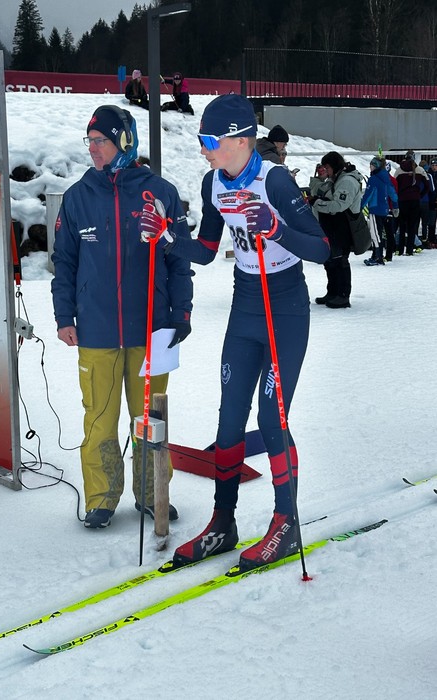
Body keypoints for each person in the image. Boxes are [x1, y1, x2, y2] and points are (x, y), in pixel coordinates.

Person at [139, 94, 330, 571]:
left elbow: (323, 248)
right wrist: (166, 234)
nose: (203, 148)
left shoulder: (275, 180)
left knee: (271, 418)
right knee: (228, 420)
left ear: (239, 140)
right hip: (246, 305)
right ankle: (223, 523)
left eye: (209, 140)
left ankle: (286, 522)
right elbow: (206, 249)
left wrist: (275, 227)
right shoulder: (212, 182)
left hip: (284, 307)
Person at [51, 105, 194, 529]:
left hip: (152, 329)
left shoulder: (160, 192)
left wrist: (182, 312)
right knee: (99, 418)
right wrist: (64, 315)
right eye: (90, 141)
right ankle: (101, 497)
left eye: (102, 141)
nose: (93, 149)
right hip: (96, 329)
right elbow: (65, 262)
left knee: (150, 419)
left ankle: (152, 493)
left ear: (124, 142)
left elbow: (179, 260)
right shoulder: (78, 197)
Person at [312, 151, 364, 308]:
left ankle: (342, 295)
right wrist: (318, 179)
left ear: (333, 166)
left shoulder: (346, 181)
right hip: (334, 226)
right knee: (331, 260)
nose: (325, 170)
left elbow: (338, 205)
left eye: (326, 167)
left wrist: (317, 203)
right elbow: (319, 191)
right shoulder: (337, 179)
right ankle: (333, 292)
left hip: (343, 227)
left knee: (340, 260)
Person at [361, 156, 399, 266]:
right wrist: (395, 206)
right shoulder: (386, 177)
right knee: (379, 233)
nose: (370, 167)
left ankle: (378, 256)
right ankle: (376, 255)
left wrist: (359, 207)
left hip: (375, 209)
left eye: (371, 165)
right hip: (384, 209)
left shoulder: (373, 179)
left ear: (375, 166)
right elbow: (392, 193)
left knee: (375, 234)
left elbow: (368, 195)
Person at [394, 157, 429, 256]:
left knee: (402, 226)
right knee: (412, 226)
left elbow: (394, 185)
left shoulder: (399, 170)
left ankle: (400, 249)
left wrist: (399, 195)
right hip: (415, 200)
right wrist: (419, 195)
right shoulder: (420, 170)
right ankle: (409, 250)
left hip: (402, 200)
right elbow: (427, 185)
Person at [427, 158, 437, 247]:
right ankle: (431, 239)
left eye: (436, 165)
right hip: (431, 202)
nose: (434, 167)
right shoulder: (428, 174)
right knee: (431, 222)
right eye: (433, 165)